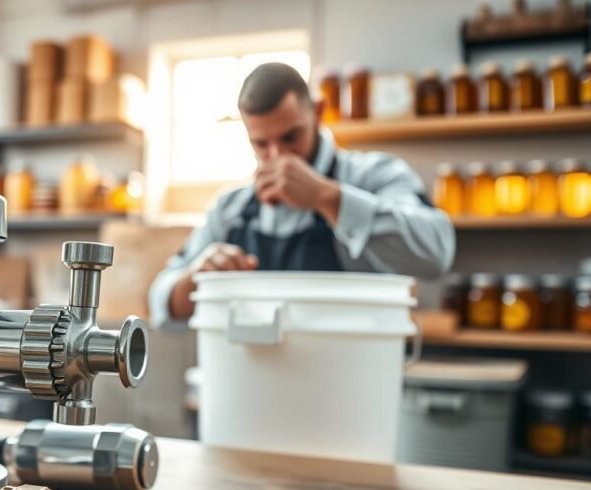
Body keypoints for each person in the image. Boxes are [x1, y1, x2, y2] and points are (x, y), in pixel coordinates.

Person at [149, 62, 455, 328]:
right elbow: (160, 302)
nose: (277, 155)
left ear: (319, 113)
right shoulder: (231, 208)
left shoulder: (374, 176)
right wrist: (196, 278)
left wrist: (327, 197)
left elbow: (437, 252)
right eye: (261, 145)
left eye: (290, 137)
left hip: (354, 382)